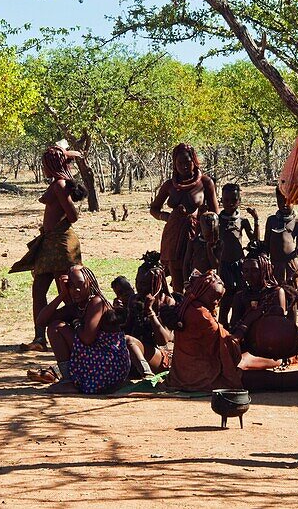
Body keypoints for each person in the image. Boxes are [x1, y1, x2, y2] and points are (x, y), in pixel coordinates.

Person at [161, 270, 298, 393]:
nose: (217, 303)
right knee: (268, 380)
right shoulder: (201, 315)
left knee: (253, 363)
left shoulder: (191, 307)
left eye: (219, 299)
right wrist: (248, 320)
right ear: (202, 292)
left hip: (190, 373)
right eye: (215, 298)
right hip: (202, 378)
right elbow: (229, 344)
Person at [10, 144, 89, 352]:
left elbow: (73, 216)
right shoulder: (57, 183)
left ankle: (77, 333)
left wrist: (57, 223)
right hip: (50, 243)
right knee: (39, 290)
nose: (42, 168)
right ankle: (39, 338)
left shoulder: (60, 185)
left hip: (62, 245)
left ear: (52, 165)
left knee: (68, 290)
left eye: (45, 164)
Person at [31, 265, 131, 394]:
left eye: (80, 284)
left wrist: (76, 323)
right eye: (71, 286)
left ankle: (69, 382)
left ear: (90, 283)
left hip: (109, 366)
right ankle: (68, 380)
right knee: (54, 326)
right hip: (98, 362)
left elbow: (87, 338)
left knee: (57, 328)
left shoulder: (97, 302)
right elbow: (41, 321)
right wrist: (62, 295)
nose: (76, 290)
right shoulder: (76, 306)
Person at [149, 143, 218, 295]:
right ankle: (178, 308)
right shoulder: (169, 185)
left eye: (187, 162)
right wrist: (167, 217)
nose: (183, 166)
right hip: (173, 236)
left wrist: (204, 224)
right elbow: (154, 209)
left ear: (194, 161)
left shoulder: (205, 183)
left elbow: (215, 212)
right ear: (174, 164)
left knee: (196, 274)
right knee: (176, 274)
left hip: (196, 234)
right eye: (179, 163)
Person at [118, 252, 177, 377]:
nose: (139, 288)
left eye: (144, 284)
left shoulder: (167, 302)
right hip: (138, 351)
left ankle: (147, 375)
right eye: (137, 282)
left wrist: (150, 312)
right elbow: (127, 328)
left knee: (128, 341)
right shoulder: (134, 299)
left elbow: (163, 341)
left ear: (157, 284)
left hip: (162, 356)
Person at [216, 183, 258, 326]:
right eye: (226, 200)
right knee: (225, 296)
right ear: (221, 200)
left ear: (239, 201)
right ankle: (222, 327)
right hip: (223, 264)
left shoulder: (242, 221)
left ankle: (237, 325)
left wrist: (256, 220)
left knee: (240, 295)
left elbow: (255, 240)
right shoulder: (217, 220)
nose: (230, 203)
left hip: (240, 265)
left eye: (234, 200)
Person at [264, 187, 298, 321]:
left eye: (288, 201)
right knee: (275, 297)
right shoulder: (271, 221)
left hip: (291, 265)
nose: (285, 204)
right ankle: (278, 327)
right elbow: (266, 245)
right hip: (275, 264)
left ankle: (291, 328)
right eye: (281, 201)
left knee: (291, 297)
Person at [182, 211, 220, 286]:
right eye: (208, 233)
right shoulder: (193, 242)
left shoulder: (218, 244)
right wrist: (186, 281)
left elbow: (215, 265)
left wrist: (209, 248)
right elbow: (186, 263)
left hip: (212, 281)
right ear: (201, 228)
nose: (212, 236)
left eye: (214, 232)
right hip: (195, 279)